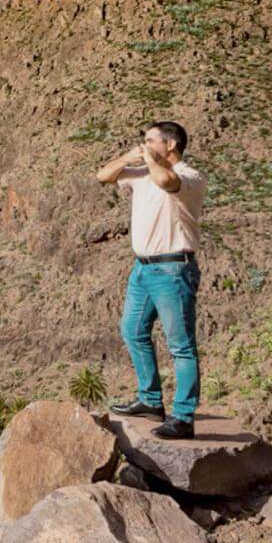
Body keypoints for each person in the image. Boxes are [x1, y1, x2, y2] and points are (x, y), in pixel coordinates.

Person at [93, 120, 207, 439]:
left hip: (173, 268)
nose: (144, 145)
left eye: (150, 140)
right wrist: (128, 158)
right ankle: (150, 400)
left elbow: (167, 181)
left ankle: (183, 417)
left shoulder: (189, 176)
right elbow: (103, 176)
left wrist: (149, 160)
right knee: (132, 330)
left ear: (170, 145)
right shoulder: (142, 173)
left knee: (180, 345)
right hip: (142, 269)